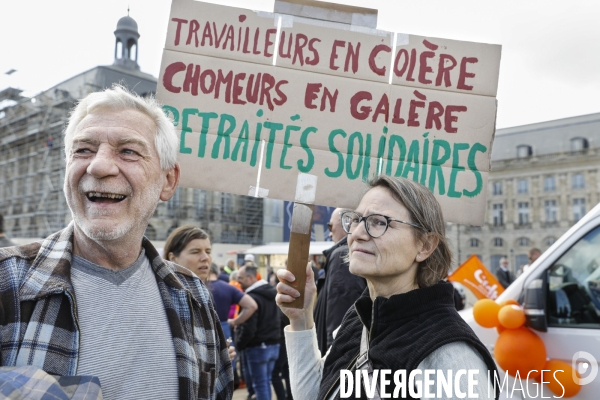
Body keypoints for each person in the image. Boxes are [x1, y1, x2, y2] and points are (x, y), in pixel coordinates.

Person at [0, 85, 232, 400]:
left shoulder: (194, 296)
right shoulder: (6, 282)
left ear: (168, 180)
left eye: (128, 151)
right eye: (83, 150)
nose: (99, 166)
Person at [276, 176, 498, 400]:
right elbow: (316, 394)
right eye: (356, 219)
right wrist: (301, 319)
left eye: (379, 222)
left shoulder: (450, 355)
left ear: (425, 245)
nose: (357, 234)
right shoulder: (358, 319)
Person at [313, 207, 366, 356]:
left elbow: (340, 320)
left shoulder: (342, 255)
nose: (329, 233)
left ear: (347, 223)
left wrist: (333, 362)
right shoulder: (343, 254)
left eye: (330, 226)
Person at [237, 265, 280, 400]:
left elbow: (249, 327)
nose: (238, 282)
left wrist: (240, 344)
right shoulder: (272, 293)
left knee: (260, 384)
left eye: (240, 278)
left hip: (258, 346)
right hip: (273, 344)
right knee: (265, 382)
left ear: (250, 278)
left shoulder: (251, 298)